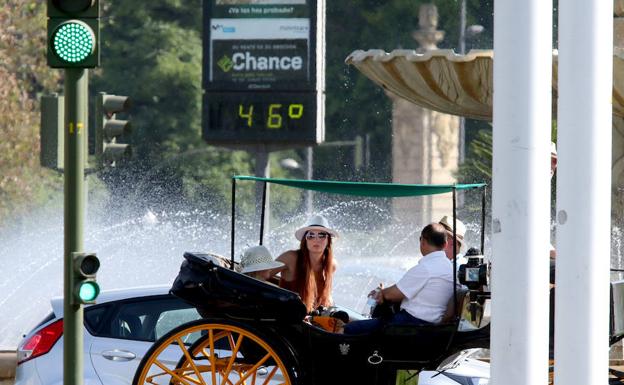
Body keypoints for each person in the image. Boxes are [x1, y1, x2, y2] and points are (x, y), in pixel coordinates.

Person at [344, 223, 454, 335]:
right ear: (445, 244)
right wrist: (384, 293)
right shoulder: (450, 268)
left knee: (349, 329)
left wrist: (381, 293)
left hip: (411, 324)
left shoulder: (426, 268)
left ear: (423, 242)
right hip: (428, 325)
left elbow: (393, 294)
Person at [276, 215, 338, 312]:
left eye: (322, 235)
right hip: (285, 318)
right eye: (311, 236)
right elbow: (262, 275)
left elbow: (326, 296)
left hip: (311, 321)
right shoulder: (290, 258)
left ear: (328, 240)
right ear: (305, 240)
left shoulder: (331, 265)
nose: (316, 239)